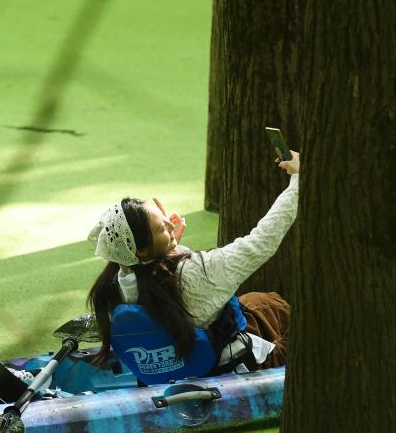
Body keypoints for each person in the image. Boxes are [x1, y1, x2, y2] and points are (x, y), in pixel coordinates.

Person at [86, 151, 300, 373]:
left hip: (184, 359)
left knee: (258, 301)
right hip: (226, 367)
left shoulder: (119, 278)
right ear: (140, 249)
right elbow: (262, 242)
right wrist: (298, 181)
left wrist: (169, 247)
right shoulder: (199, 272)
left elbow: (157, 279)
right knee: (277, 307)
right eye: (161, 227)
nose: (170, 223)